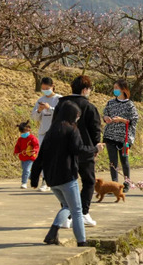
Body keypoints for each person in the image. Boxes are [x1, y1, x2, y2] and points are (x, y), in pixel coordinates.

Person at [30, 101, 105, 246]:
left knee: (67, 206)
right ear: (73, 116)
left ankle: (53, 234)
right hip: (67, 176)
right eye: (77, 116)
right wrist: (95, 149)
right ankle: (81, 241)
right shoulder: (72, 130)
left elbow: (41, 156)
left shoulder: (51, 131)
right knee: (77, 210)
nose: (77, 118)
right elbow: (78, 149)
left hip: (52, 179)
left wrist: (34, 178)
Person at [53, 75, 101, 227]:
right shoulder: (89, 106)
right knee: (88, 181)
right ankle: (83, 213)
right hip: (84, 150)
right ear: (85, 89)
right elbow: (95, 130)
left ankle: (67, 216)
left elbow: (55, 126)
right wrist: (95, 148)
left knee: (67, 182)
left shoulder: (61, 105)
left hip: (63, 150)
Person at [102, 80, 139, 192]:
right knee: (113, 162)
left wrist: (121, 120)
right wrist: (106, 118)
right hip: (110, 136)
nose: (115, 90)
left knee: (124, 160)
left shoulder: (129, 104)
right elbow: (104, 114)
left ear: (123, 89)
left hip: (124, 138)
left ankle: (127, 183)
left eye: (117, 88)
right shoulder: (110, 103)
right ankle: (114, 184)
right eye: (114, 88)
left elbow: (134, 119)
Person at [30, 77, 62, 192]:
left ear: (53, 86)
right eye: (43, 89)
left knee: (56, 157)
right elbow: (34, 118)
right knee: (43, 157)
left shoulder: (59, 99)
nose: (45, 90)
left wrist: (50, 108)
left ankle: (57, 180)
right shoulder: (40, 99)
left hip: (57, 132)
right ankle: (45, 180)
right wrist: (39, 110)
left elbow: (62, 114)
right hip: (44, 132)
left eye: (47, 88)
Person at [14, 121, 39, 189]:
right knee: (25, 170)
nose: (23, 134)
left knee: (26, 170)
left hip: (30, 156)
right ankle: (33, 177)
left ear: (29, 130)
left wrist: (34, 151)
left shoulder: (32, 138)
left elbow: (36, 146)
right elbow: (17, 146)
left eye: (24, 132)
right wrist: (16, 151)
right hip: (22, 156)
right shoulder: (20, 139)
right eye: (22, 133)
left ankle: (24, 183)